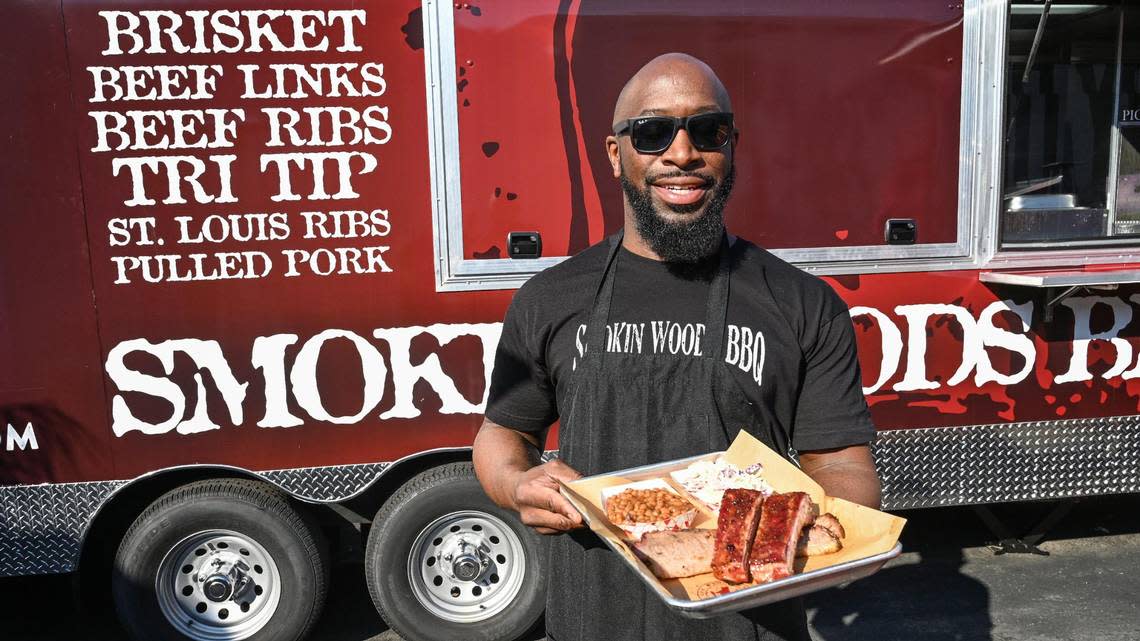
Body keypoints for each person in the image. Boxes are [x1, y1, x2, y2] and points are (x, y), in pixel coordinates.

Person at [473, 52, 881, 641]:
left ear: (731, 145)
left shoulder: (804, 305)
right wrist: (516, 487)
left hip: (750, 620)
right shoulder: (546, 300)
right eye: (652, 131)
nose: (682, 153)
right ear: (616, 154)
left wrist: (813, 536)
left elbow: (843, 464)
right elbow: (502, 434)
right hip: (592, 619)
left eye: (706, 130)